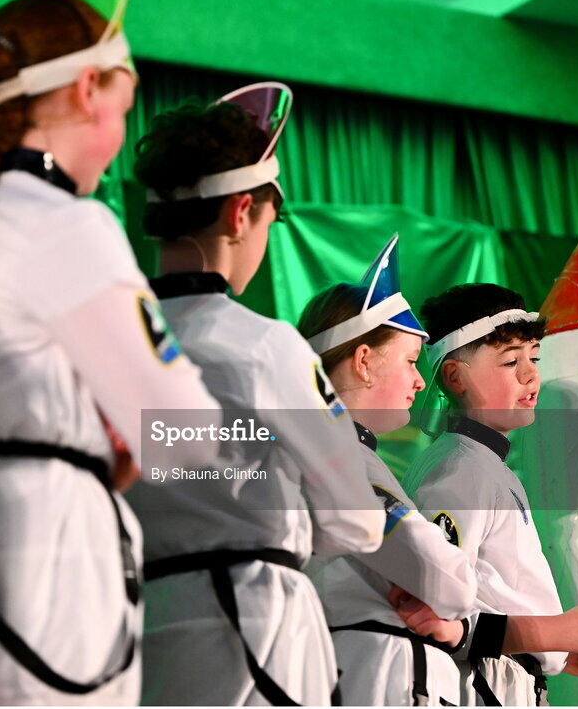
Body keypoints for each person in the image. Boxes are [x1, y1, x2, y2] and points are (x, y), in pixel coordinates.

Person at [0, 0, 221, 706]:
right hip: (51, 560)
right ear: (89, 90)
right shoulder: (69, 224)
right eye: (126, 100)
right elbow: (187, 432)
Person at [127, 84, 386, 706]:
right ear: (241, 213)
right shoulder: (266, 346)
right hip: (258, 633)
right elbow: (356, 521)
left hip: (139, 625)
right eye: (271, 221)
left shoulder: (109, 338)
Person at [402, 283, 578, 705]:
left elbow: (490, 591)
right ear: (454, 377)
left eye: (533, 357)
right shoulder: (461, 469)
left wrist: (556, 652)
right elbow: (432, 610)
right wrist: (559, 632)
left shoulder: (483, 465)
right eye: (510, 361)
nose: (530, 374)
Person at [297, 234, 479, 706]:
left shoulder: (335, 453)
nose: (420, 381)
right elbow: (451, 582)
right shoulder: (342, 461)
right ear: (363, 362)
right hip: (377, 678)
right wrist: (441, 587)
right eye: (411, 361)